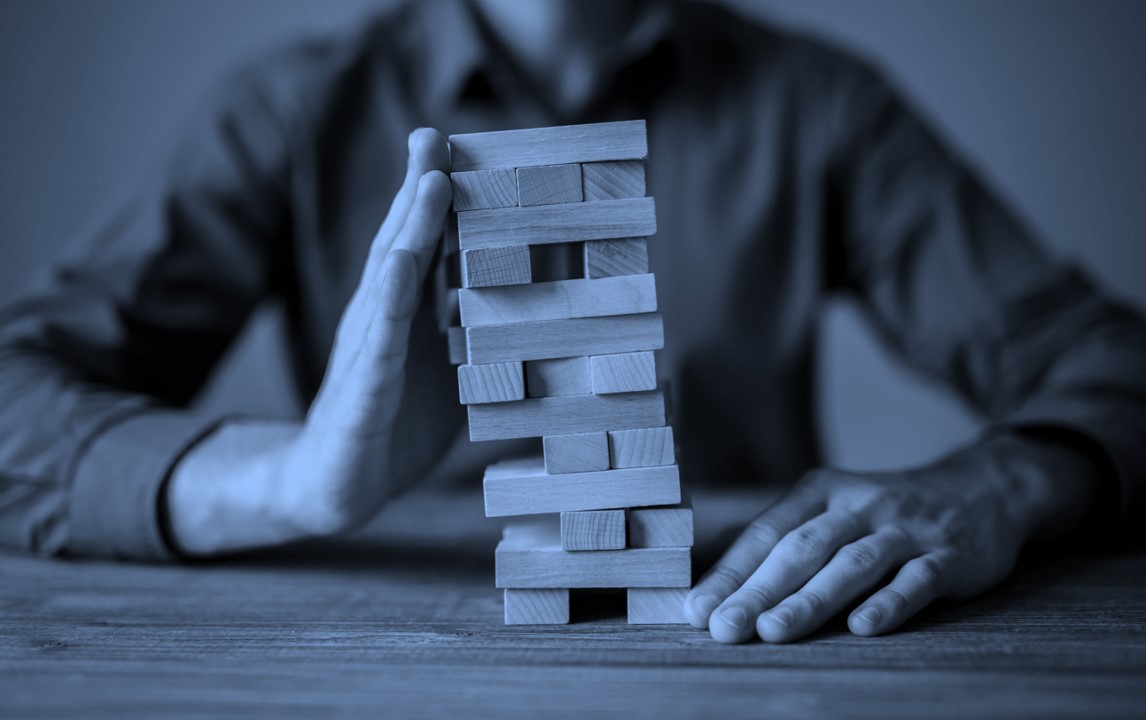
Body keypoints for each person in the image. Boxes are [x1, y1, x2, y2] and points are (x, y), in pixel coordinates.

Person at [1, 0, 1144, 646]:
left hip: (735, 642)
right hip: (394, 652)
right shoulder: (294, 110)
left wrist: (1001, 482)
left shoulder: (820, 103)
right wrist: (284, 480)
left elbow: (1109, 361)